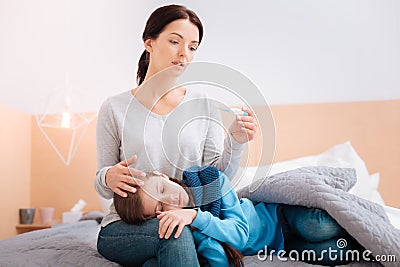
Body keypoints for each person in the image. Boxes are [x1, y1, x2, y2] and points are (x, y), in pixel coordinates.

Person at [94, 4, 257, 267]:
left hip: (183, 218)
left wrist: (235, 141)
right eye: (174, 41)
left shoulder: (204, 105)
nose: (184, 54)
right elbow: (102, 184)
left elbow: (215, 179)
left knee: (172, 232)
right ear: (149, 42)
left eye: (192, 47)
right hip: (125, 225)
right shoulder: (114, 107)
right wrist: (108, 176)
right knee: (172, 233)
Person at [113, 169, 366, 267]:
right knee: (333, 253)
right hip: (281, 246)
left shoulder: (212, 182)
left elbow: (240, 234)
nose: (170, 201)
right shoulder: (189, 229)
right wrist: (197, 228)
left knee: (317, 226)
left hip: (278, 217)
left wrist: (196, 217)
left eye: (161, 190)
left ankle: (360, 225)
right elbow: (222, 262)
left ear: (162, 176)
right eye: (160, 208)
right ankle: (364, 245)